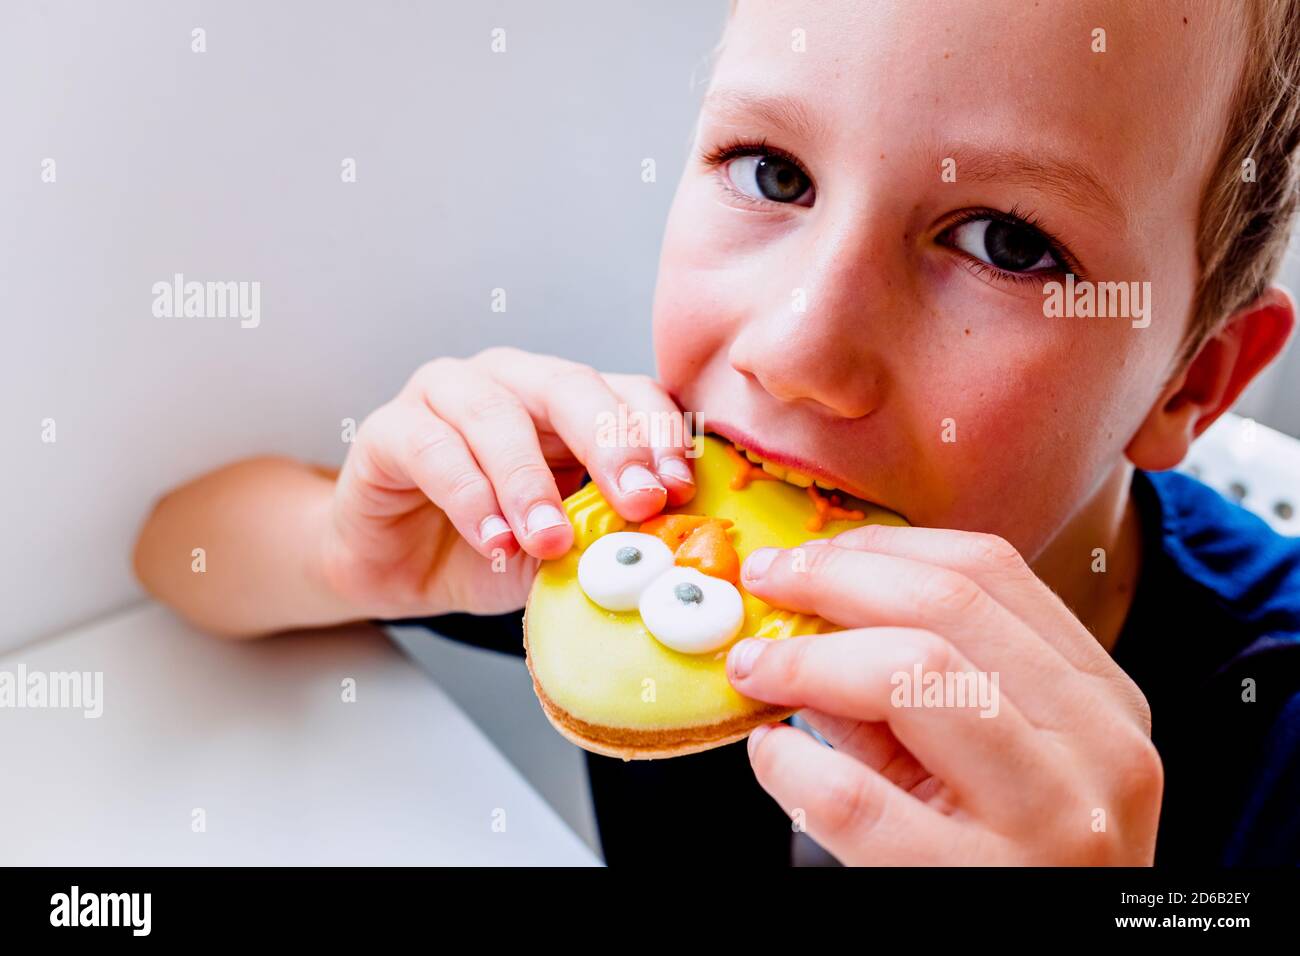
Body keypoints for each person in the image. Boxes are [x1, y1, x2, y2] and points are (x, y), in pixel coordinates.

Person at [133, 0, 1300, 865]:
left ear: (1190, 382)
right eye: (772, 170)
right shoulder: (627, 517)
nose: (793, 351)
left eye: (1003, 242)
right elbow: (179, 549)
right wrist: (346, 555)